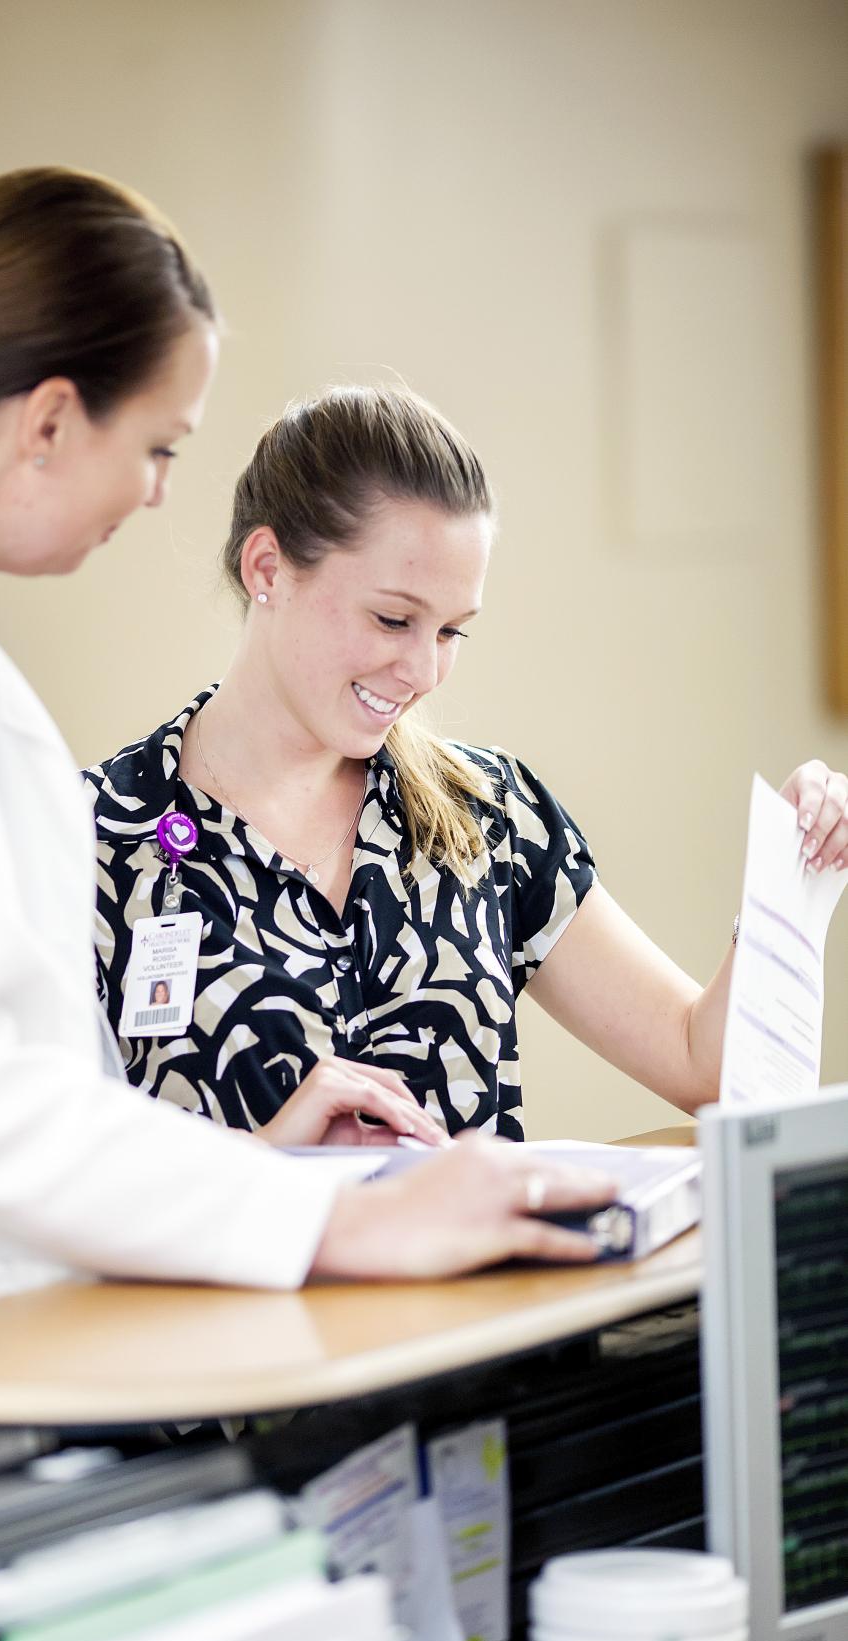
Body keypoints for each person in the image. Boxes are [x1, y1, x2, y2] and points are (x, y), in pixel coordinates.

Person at [0, 174, 616, 1513]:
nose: (154, 496)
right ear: (52, 419)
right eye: (159, 447)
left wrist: (251, 1172)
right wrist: (338, 1217)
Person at [88, 385, 848, 1139]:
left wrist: (795, 873)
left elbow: (708, 1069)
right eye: (393, 618)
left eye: (452, 631)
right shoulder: (94, 839)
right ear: (267, 569)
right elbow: (43, 1188)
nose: (422, 671)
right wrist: (265, 1166)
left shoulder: (489, 813)